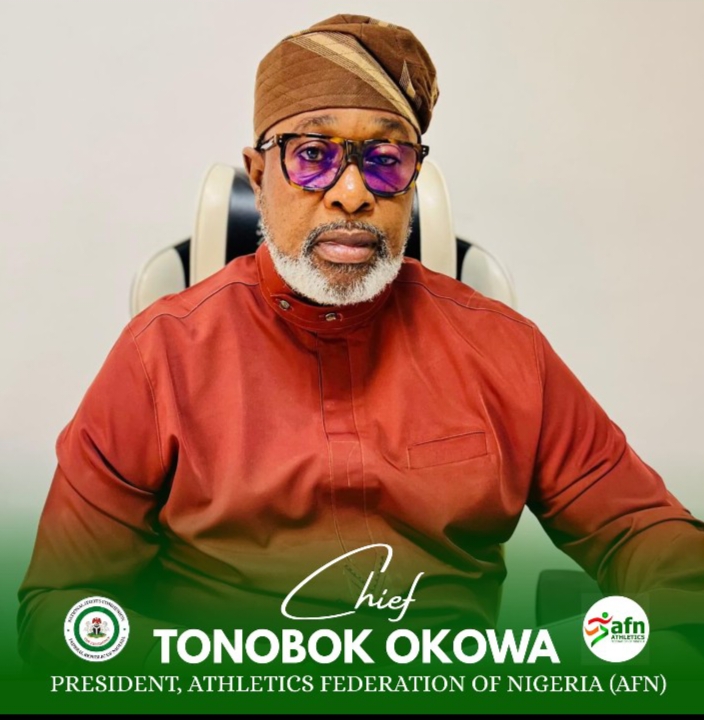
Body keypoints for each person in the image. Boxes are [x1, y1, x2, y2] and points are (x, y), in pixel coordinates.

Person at [17, 13, 704, 673]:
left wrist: (610, 645)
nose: (351, 193)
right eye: (313, 155)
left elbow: (654, 542)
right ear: (258, 176)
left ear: (412, 180)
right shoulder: (159, 356)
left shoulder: (503, 348)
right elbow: (60, 607)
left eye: (384, 159)